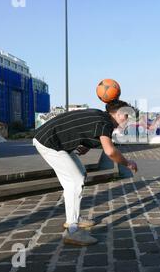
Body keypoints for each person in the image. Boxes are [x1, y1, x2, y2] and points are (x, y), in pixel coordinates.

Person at [33, 100, 138, 246]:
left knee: (79, 175)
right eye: (126, 116)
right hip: (49, 143)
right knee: (75, 182)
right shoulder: (105, 123)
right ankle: (73, 231)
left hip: (53, 141)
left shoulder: (101, 117)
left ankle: (74, 218)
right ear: (118, 114)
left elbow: (84, 128)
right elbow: (110, 151)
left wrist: (86, 145)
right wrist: (127, 163)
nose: (128, 120)